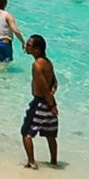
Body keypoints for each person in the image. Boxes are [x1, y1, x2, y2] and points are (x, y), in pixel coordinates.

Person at [21, 35, 60, 168]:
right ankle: (54, 162)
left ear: (37, 49)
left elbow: (43, 88)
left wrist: (52, 104)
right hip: (49, 103)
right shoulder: (48, 62)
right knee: (50, 135)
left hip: (40, 103)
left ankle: (31, 162)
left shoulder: (36, 65)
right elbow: (54, 83)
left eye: (28, 45)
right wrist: (52, 101)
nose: (26, 46)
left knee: (26, 133)